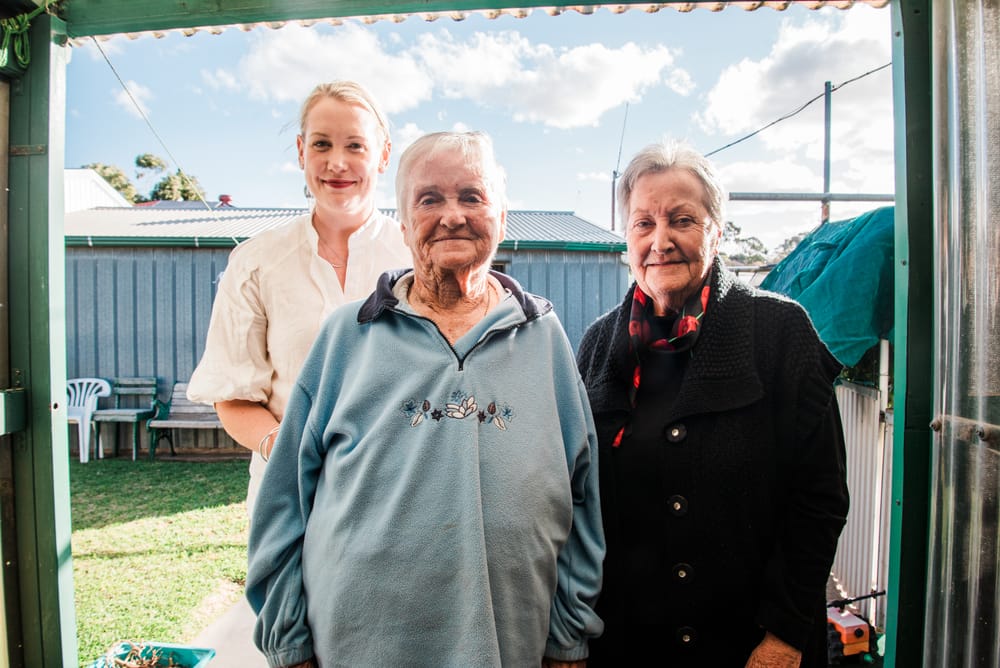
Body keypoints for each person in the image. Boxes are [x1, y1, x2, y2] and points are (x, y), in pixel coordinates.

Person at [245, 131, 604, 668]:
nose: (453, 216)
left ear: (502, 218)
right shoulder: (347, 336)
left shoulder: (543, 336)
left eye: (472, 196)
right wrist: (288, 643)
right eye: (430, 199)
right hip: (357, 649)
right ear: (405, 224)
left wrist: (569, 637)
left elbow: (582, 495)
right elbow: (283, 501)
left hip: (510, 646)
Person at [576, 140, 849, 667]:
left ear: (716, 231)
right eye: (643, 223)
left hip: (750, 645)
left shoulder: (780, 332)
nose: (661, 241)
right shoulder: (598, 345)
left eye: (682, 220)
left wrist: (784, 636)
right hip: (627, 644)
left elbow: (820, 498)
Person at [187, 80, 410, 513]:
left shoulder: (416, 256)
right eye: (322, 144)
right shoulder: (256, 261)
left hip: (397, 496)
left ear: (383, 155)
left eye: (356, 145)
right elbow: (233, 397)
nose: (337, 163)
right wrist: (288, 451)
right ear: (301, 150)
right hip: (290, 499)